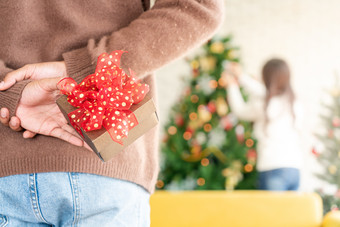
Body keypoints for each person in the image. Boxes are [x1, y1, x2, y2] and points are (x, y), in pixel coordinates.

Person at [0, 0, 223, 226]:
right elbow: (198, 6)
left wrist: (8, 93)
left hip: (7, 170)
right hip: (107, 169)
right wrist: (89, 67)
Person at [223, 59, 303, 191]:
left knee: (271, 212)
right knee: (290, 212)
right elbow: (264, 93)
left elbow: (240, 110)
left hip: (272, 167)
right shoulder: (294, 102)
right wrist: (241, 76)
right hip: (294, 167)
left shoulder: (266, 106)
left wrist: (232, 85)